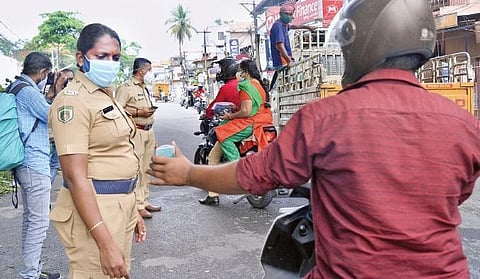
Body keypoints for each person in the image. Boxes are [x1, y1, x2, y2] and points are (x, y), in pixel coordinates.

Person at [148, 1, 479, 278]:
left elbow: (255, 176)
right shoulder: (465, 124)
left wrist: (188, 173)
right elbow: (456, 194)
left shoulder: (326, 117)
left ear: (362, 44)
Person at [48, 23, 146, 279]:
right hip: (95, 211)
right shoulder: (72, 101)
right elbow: (75, 177)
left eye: (115, 57)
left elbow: (118, 152)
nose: (110, 63)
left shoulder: (105, 96)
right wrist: (104, 242)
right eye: (101, 56)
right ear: (81, 58)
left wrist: (132, 208)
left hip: (119, 206)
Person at [12, 52, 60, 279]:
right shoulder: (29, 92)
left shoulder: (15, 87)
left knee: (31, 219)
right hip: (34, 162)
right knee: (39, 222)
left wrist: (49, 94)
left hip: (24, 162)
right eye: (47, 75)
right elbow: (53, 116)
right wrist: (58, 91)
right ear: (42, 73)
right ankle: (31, 274)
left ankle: (33, 270)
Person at [115, 57, 161, 219]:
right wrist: (137, 113)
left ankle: (144, 200)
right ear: (140, 70)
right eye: (148, 70)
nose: (150, 73)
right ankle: (137, 204)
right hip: (137, 132)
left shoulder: (144, 87)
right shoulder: (126, 88)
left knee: (147, 168)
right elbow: (117, 111)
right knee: (137, 169)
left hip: (148, 131)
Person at [198, 57, 240, 205]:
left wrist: (206, 114)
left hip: (231, 127)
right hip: (250, 126)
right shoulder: (246, 85)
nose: (220, 72)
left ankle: (213, 194)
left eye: (222, 69)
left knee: (213, 157)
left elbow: (214, 107)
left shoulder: (226, 88)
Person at [215, 59, 273, 162]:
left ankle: (237, 167)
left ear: (246, 72)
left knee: (224, 136)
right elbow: (255, 105)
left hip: (253, 121)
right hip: (265, 120)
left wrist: (230, 116)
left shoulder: (246, 86)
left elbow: (246, 111)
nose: (238, 73)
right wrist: (237, 108)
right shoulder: (258, 84)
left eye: (240, 70)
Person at [269, 0, 315, 91]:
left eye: (291, 15)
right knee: (294, 82)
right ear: (281, 14)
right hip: (282, 62)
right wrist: (289, 61)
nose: (290, 17)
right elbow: (280, 46)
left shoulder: (284, 25)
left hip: (284, 61)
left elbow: (293, 26)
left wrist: (307, 27)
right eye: (288, 15)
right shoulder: (278, 26)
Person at [47, 68, 75, 185]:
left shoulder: (75, 92)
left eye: (71, 79)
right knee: (54, 164)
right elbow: (59, 108)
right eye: (65, 79)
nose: (68, 82)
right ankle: (46, 190)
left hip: (69, 135)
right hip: (55, 134)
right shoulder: (52, 91)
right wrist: (58, 86)